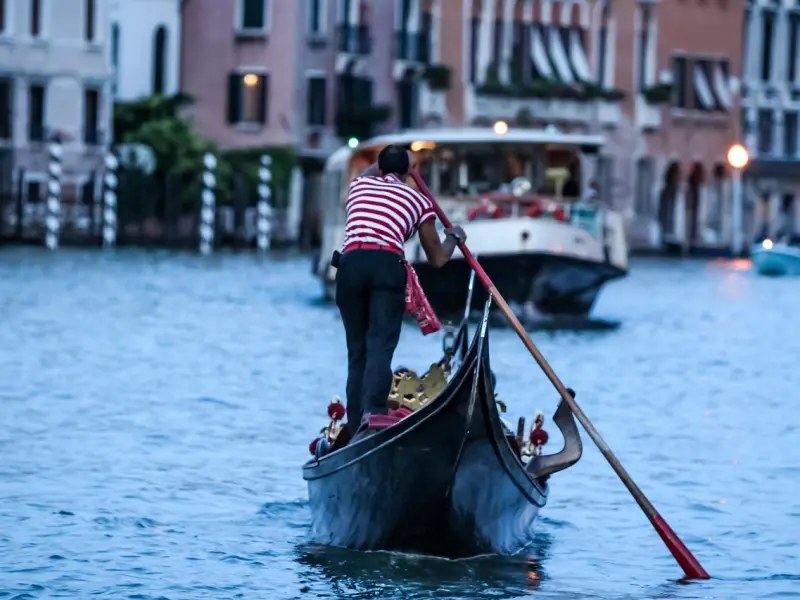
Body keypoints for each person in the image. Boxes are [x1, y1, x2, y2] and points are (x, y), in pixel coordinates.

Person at [334, 144, 466, 437]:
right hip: (386, 265)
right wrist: (454, 237)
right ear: (408, 172)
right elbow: (438, 259)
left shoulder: (359, 186)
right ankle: (373, 415)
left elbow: (374, 170)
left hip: (350, 265)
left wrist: (398, 166)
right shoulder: (419, 202)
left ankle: (355, 423)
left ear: (380, 169)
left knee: (358, 352)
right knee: (379, 346)